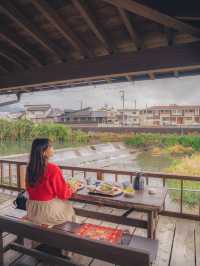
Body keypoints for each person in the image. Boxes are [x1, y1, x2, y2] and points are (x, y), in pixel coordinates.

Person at [26, 138, 78, 226]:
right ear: (44, 152)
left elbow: (33, 188)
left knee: (61, 203)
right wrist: (72, 188)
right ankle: (70, 235)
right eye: (51, 147)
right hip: (46, 211)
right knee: (68, 207)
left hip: (32, 209)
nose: (54, 149)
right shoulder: (53, 169)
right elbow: (63, 194)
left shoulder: (30, 168)